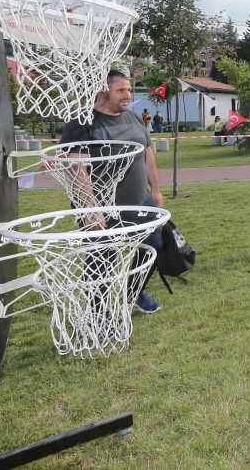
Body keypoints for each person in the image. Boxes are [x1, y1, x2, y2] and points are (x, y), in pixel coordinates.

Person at [60, 70, 165, 315]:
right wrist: (91, 209)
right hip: (101, 206)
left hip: (139, 202)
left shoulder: (133, 118)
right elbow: (75, 169)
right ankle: (99, 316)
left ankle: (134, 292)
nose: (128, 95)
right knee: (102, 260)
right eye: (121, 90)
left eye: (129, 90)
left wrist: (156, 191)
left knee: (154, 243)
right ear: (103, 92)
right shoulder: (82, 123)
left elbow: (147, 153)